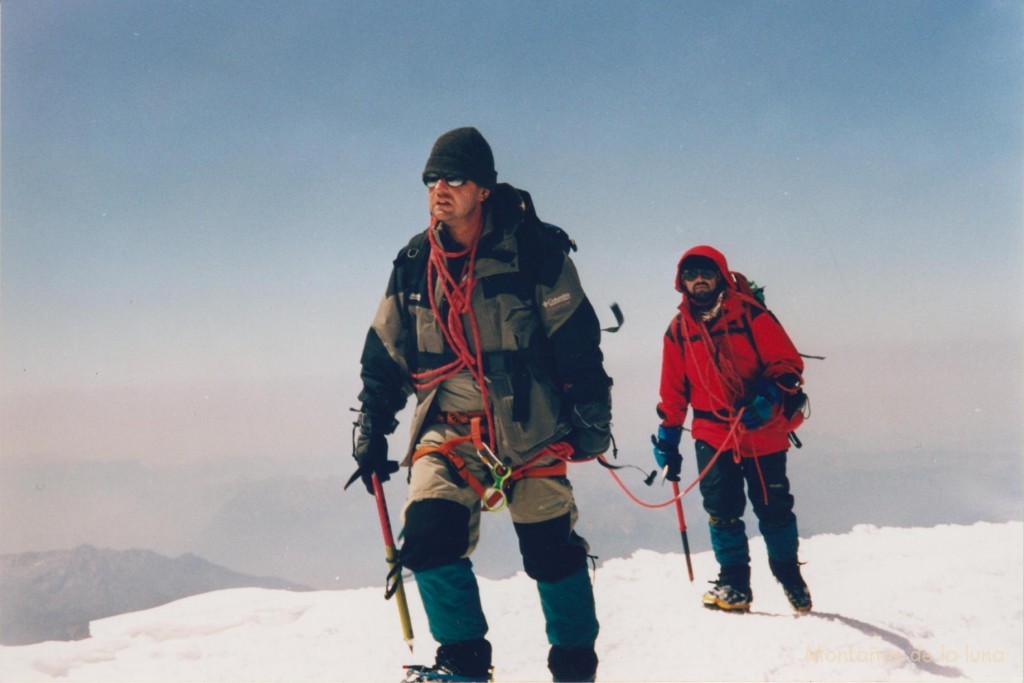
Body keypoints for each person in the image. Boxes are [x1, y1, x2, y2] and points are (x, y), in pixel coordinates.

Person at [348, 127, 612, 682]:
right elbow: (385, 355)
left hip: (530, 428)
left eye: (454, 177)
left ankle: (574, 669)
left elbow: (577, 341)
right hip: (449, 431)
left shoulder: (536, 252)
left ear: (484, 188)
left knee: (551, 554)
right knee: (426, 534)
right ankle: (464, 665)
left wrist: (591, 415)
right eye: (430, 178)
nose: (439, 188)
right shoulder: (415, 263)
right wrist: (372, 429)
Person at [652, 245, 812, 613]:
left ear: (720, 274)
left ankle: (790, 579)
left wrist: (770, 395)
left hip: (762, 429)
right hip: (712, 434)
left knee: (773, 509)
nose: (698, 280)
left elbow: (787, 364)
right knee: (721, 510)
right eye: (690, 275)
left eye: (705, 272)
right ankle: (734, 585)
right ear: (682, 283)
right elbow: (673, 389)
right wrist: (668, 436)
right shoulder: (678, 330)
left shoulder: (750, 315)